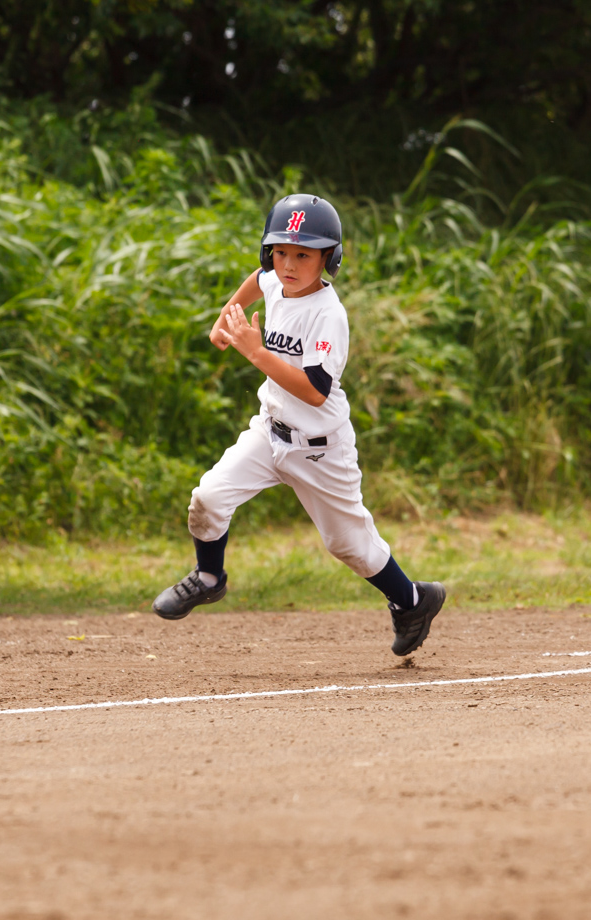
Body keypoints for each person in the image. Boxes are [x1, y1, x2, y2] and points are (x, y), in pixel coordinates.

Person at [151, 194, 447, 656]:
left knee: (350, 547)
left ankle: (413, 601)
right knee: (207, 498)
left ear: (329, 257)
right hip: (270, 433)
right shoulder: (275, 279)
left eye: (304, 254)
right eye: (281, 251)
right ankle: (209, 577)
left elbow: (314, 390)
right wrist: (225, 317)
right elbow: (258, 279)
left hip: (320, 448)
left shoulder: (328, 314)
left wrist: (255, 351)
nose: (288, 264)